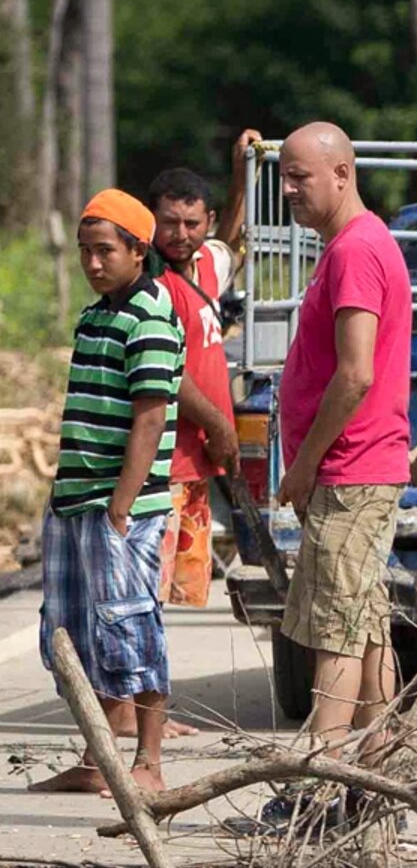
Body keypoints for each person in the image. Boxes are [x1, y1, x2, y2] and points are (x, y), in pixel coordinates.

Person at [272, 122, 413, 748]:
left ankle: (322, 784)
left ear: (342, 173)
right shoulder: (350, 245)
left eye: (299, 177)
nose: (289, 190)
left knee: (336, 630)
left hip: (350, 470)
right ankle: (383, 770)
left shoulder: (357, 249)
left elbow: (355, 376)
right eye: (283, 177)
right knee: (366, 622)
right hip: (353, 468)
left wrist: (304, 463)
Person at [35, 192, 180, 796]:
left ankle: (148, 762)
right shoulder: (96, 316)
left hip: (121, 509)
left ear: (138, 251)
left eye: (105, 251)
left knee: (131, 629)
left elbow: (150, 417)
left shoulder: (150, 315)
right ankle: (98, 759)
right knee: (67, 634)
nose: (93, 264)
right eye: (85, 252)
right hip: (72, 502)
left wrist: (120, 506)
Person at [147, 166, 238, 609]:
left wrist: (239, 172)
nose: (180, 234)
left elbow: (234, 242)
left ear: (209, 222)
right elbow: (167, 370)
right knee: (148, 591)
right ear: (151, 221)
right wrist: (220, 425)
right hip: (162, 464)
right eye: (169, 222)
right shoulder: (150, 284)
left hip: (197, 463)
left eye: (192, 223)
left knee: (178, 593)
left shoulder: (209, 264)